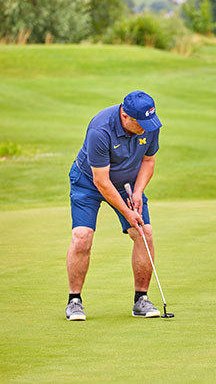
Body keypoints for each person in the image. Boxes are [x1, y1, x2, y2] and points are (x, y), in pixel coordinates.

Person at [65, 91, 163, 320]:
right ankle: (74, 301)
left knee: (144, 232)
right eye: (141, 123)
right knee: (82, 236)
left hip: (127, 183)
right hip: (88, 182)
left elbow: (149, 160)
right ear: (125, 115)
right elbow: (101, 181)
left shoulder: (150, 124)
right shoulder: (101, 129)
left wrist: (138, 192)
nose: (146, 128)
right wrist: (127, 212)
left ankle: (141, 300)